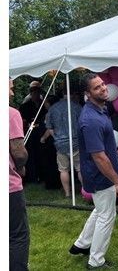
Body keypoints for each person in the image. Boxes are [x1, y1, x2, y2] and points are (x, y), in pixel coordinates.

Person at [69, 73, 118, 269]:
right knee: (107, 216)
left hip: (103, 172)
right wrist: (117, 180)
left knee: (101, 210)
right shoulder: (90, 119)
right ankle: (96, 260)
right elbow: (98, 156)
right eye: (97, 87)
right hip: (101, 175)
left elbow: (103, 146)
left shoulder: (101, 109)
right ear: (87, 93)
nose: (103, 88)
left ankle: (81, 244)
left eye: (103, 84)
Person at [42, 85, 83, 197]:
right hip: (76, 142)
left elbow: (49, 127)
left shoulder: (53, 108)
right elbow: (83, 124)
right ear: (72, 94)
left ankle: (67, 193)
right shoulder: (77, 107)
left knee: (63, 170)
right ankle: (85, 190)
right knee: (80, 169)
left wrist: (56, 137)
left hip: (60, 143)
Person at [9, 78, 30, 271]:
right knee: (17, 235)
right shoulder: (10, 114)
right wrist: (21, 166)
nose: (13, 93)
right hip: (8, 188)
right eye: (10, 88)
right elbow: (18, 151)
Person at [19, 80, 47, 183]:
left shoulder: (43, 105)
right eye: (34, 93)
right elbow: (24, 119)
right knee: (31, 154)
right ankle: (33, 176)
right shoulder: (25, 105)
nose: (36, 95)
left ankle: (43, 174)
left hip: (41, 131)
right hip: (30, 132)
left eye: (37, 93)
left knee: (42, 153)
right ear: (31, 94)